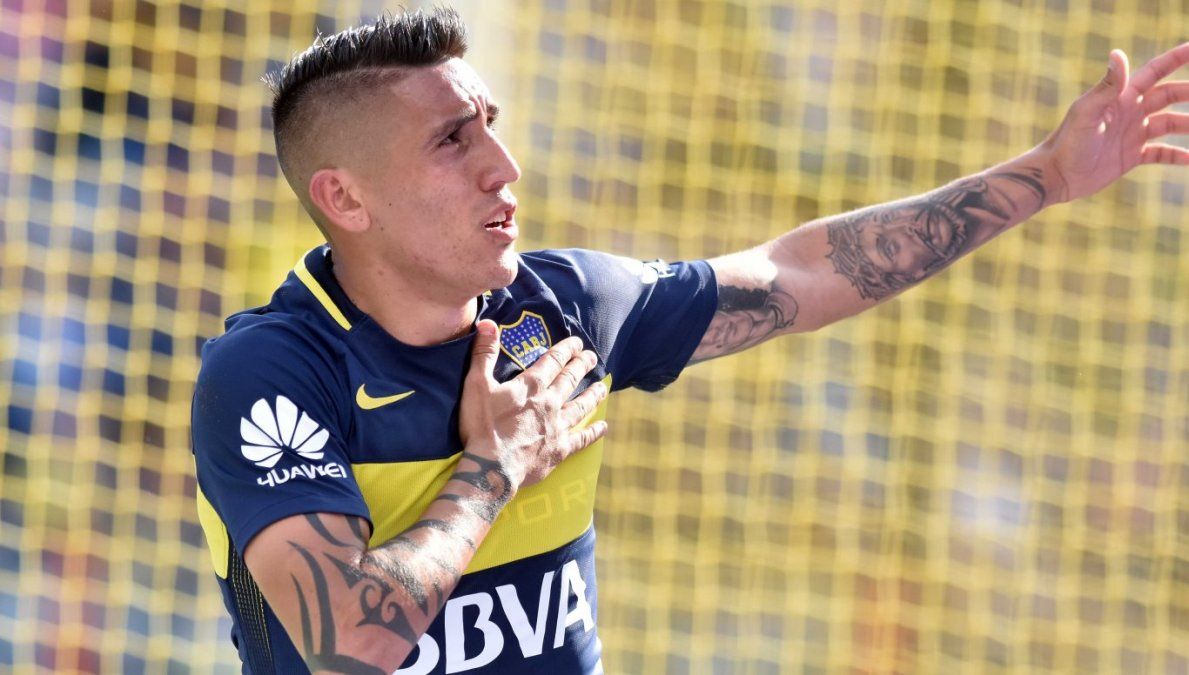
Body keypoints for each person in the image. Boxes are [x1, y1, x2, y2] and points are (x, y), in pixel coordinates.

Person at [190, 7, 1189, 674]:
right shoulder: (270, 371)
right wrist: (493, 469)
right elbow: (347, 641)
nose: (504, 164)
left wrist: (1046, 176)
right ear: (343, 197)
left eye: (490, 122)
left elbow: (796, 273)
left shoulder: (562, 306)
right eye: (453, 139)